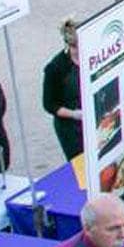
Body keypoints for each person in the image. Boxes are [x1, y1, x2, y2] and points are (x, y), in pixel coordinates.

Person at [40, 19, 85, 158]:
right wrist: (74, 114)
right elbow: (49, 104)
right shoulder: (56, 68)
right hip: (71, 127)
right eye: (77, 48)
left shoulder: (94, 56)